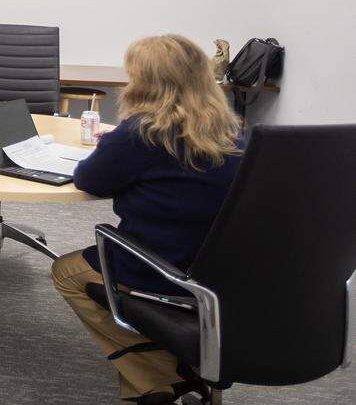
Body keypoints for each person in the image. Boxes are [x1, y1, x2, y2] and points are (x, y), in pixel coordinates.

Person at [51, 35, 244, 405]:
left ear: (148, 83)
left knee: (65, 273)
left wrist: (114, 141)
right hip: (218, 273)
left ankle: (159, 380)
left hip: (157, 266)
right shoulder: (231, 132)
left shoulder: (143, 132)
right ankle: (165, 369)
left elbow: (89, 180)